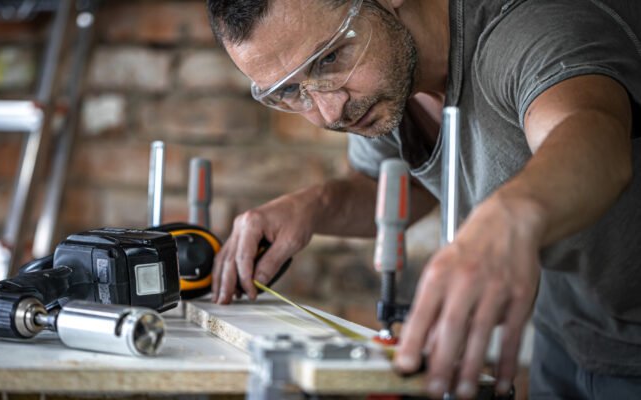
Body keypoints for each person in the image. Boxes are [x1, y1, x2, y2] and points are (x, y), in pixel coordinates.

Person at [205, 0, 641, 398]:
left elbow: (595, 137)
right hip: (569, 330)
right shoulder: (389, 79)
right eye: (289, 91)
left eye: (330, 58)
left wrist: (513, 216)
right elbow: (403, 189)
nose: (329, 112)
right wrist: (311, 206)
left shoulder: (532, 27)